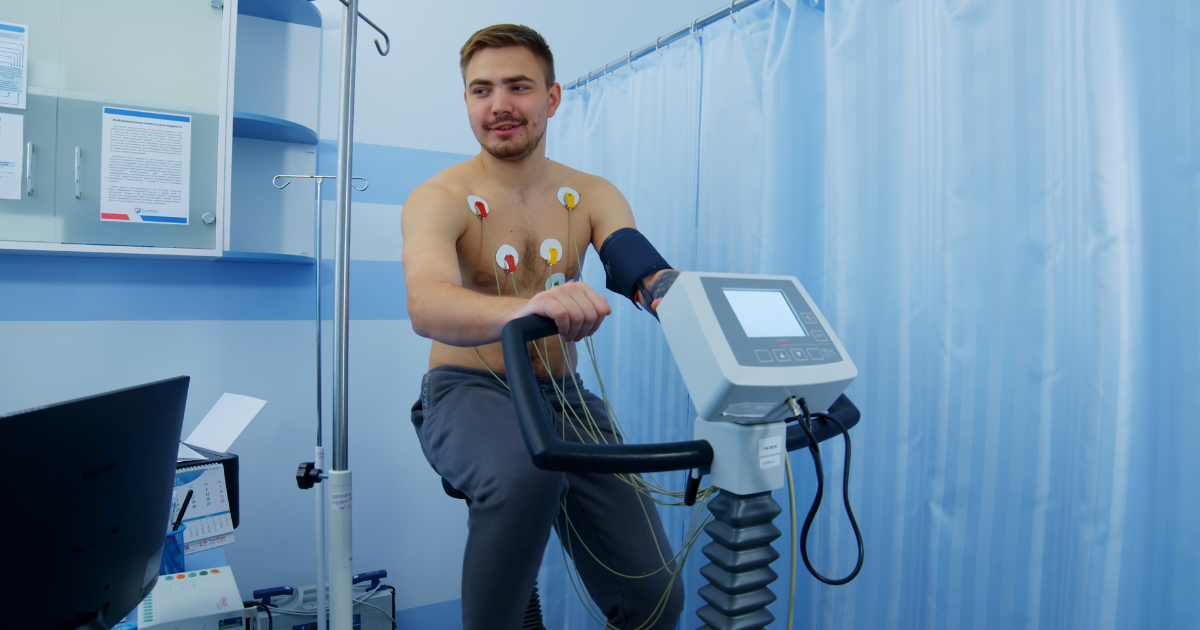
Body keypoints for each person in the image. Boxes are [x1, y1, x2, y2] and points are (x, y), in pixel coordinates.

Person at [402, 24, 682, 630]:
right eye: (481, 90)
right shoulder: (439, 196)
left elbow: (638, 266)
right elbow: (427, 303)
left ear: (551, 98)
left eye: (518, 86)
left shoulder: (590, 193)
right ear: (468, 101)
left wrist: (681, 305)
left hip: (565, 401)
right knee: (525, 478)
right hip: (466, 391)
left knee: (657, 595)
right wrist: (528, 310)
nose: (499, 105)